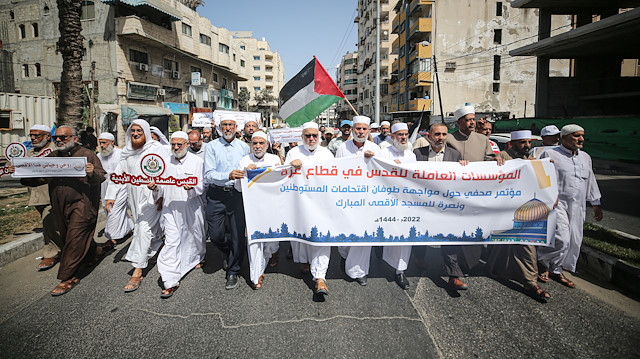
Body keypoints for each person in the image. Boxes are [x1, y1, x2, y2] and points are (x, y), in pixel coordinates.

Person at [21, 126, 106, 296]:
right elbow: (40, 178)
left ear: (75, 139)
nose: (58, 140)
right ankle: (94, 253)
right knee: (70, 236)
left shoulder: (87, 154)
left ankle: (68, 276)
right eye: (56, 138)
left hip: (82, 205)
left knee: (75, 236)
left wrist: (91, 173)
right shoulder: (52, 157)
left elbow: (101, 175)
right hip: (60, 205)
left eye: (63, 137)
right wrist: (21, 174)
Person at [486, 130, 551, 300]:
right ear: (513, 143)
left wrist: (545, 168)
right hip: (503, 207)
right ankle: (496, 270)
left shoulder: (532, 159)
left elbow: (543, 182)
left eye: (528, 142)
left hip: (526, 210)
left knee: (527, 244)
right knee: (502, 242)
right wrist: (494, 162)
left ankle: (531, 283)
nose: (527, 146)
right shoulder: (503, 156)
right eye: (522, 142)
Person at [105, 119, 169, 292]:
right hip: (134, 196)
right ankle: (158, 247)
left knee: (142, 229)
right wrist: (111, 196)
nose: (135, 134)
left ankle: (137, 270)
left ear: (146, 132)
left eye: (139, 131)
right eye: (132, 131)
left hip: (153, 195)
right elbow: (118, 175)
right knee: (147, 229)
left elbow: (166, 172)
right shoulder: (128, 152)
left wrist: (161, 192)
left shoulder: (157, 150)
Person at [537, 124, 603, 288]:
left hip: (577, 205)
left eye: (582, 136)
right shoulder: (550, 153)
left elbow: (591, 180)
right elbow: (539, 176)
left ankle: (556, 269)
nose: (580, 139)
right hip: (556, 204)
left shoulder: (585, 157)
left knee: (574, 238)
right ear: (564, 138)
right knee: (562, 238)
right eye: (576, 136)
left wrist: (595, 203)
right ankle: (543, 263)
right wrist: (546, 197)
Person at [445, 105, 504, 283]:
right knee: (453, 229)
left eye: (473, 119)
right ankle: (453, 268)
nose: (472, 123)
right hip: (453, 192)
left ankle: (469, 264)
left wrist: (496, 159)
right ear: (459, 122)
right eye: (468, 120)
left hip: (476, 192)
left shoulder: (483, 139)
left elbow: (488, 159)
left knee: (473, 228)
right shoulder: (448, 138)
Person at [412, 123, 470, 290]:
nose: (441, 138)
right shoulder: (418, 154)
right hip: (423, 204)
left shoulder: (455, 155)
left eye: (444, 134)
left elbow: (462, 179)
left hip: (446, 206)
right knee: (421, 232)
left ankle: (453, 275)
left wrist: (464, 166)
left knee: (449, 237)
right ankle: (419, 256)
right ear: (429, 136)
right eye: (437, 134)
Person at [148, 131, 206, 298]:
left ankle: (199, 256)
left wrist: (193, 188)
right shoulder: (165, 163)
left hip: (191, 206)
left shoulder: (197, 161)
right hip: (170, 207)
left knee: (196, 235)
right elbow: (161, 186)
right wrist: (155, 188)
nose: (175, 147)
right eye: (173, 144)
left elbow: (202, 185)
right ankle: (170, 279)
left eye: (179, 144)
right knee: (172, 241)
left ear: (187, 145)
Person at [285, 122, 334, 295]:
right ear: (302, 137)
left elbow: (335, 177)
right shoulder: (293, 152)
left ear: (319, 137)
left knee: (321, 237)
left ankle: (320, 278)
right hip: (299, 203)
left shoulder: (327, 153)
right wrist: (291, 166)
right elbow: (284, 176)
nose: (311, 139)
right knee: (301, 236)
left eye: (314, 136)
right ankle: (305, 261)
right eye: (308, 136)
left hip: (321, 204)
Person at [204, 117, 250, 290]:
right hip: (216, 194)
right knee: (215, 235)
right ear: (219, 128)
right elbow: (208, 174)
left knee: (239, 235)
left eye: (231, 125)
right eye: (225, 125)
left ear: (236, 127)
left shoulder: (244, 147)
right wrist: (227, 176)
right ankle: (230, 251)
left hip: (237, 195)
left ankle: (233, 271)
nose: (228, 128)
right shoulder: (212, 146)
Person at [335, 116, 379, 286]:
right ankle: (345, 257)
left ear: (368, 131)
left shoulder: (375, 148)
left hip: (368, 200)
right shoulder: (342, 148)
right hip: (347, 198)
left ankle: (358, 271)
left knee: (363, 236)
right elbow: (336, 171)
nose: (361, 132)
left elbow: (383, 172)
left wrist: (372, 159)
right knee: (346, 234)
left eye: (364, 129)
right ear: (352, 130)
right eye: (358, 129)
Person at [236, 131, 282, 289]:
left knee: (271, 240)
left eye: (261, 143)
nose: (257, 146)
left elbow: (283, 184)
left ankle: (273, 252)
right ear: (250, 145)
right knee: (254, 241)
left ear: (267, 145)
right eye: (254, 143)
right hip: (252, 209)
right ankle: (256, 274)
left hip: (272, 207)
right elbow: (238, 188)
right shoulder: (244, 160)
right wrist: (245, 174)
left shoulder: (274, 159)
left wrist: (278, 172)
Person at [378, 122, 416, 290]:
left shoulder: (411, 155)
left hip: (406, 202)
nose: (403, 137)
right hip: (387, 201)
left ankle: (400, 270)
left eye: (406, 134)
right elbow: (378, 174)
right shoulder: (384, 153)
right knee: (387, 232)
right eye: (400, 135)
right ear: (392, 136)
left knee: (405, 237)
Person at [24, 125, 62, 270]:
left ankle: (51, 254)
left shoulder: (56, 151)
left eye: (37, 135)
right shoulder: (29, 153)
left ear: (47, 136)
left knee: (50, 225)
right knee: (50, 225)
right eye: (31, 135)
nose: (33, 138)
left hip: (52, 194)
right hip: (36, 194)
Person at [97, 132, 133, 251]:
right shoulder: (98, 156)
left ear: (112, 142)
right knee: (106, 205)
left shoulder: (121, 154)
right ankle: (128, 228)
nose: (102, 146)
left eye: (104, 143)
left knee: (114, 208)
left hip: (120, 185)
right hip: (104, 183)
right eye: (100, 143)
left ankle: (111, 236)